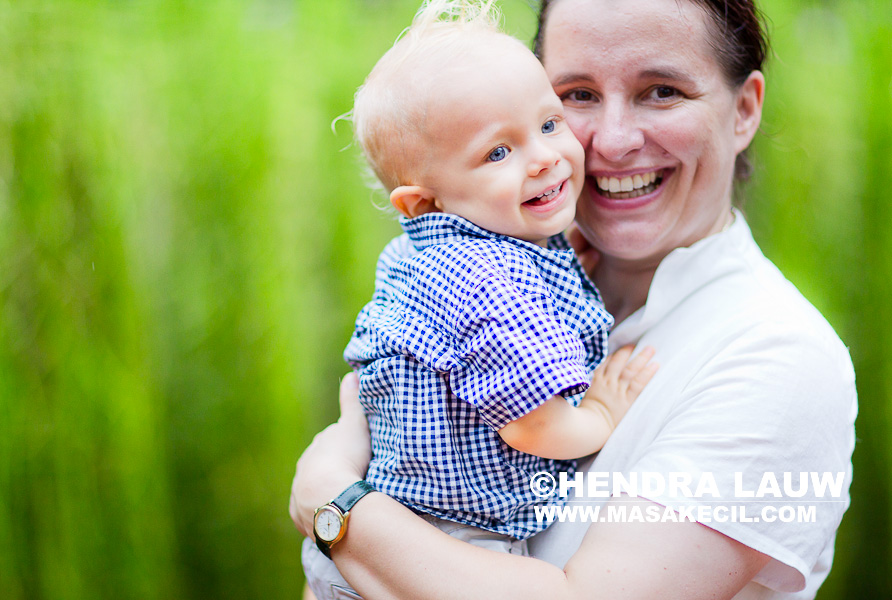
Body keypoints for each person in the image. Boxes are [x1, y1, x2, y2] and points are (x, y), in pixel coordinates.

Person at [291, 0, 858, 598]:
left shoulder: (777, 356)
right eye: (578, 94)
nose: (612, 142)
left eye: (662, 91)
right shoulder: (511, 277)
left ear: (743, 110)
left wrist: (334, 505)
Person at [301, 2, 658, 597]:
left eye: (548, 124)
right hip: (450, 541)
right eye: (498, 152)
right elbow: (534, 428)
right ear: (423, 202)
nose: (544, 156)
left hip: (373, 526)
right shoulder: (494, 283)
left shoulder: (427, 254)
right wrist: (601, 413)